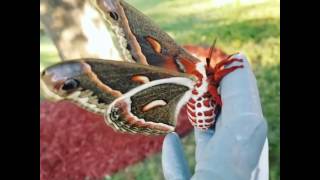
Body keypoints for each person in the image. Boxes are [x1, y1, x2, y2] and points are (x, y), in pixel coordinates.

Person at [162, 54, 269, 180]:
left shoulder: (200, 83)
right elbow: (214, 89)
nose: (212, 69)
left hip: (199, 118)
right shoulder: (207, 82)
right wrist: (221, 103)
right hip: (201, 115)